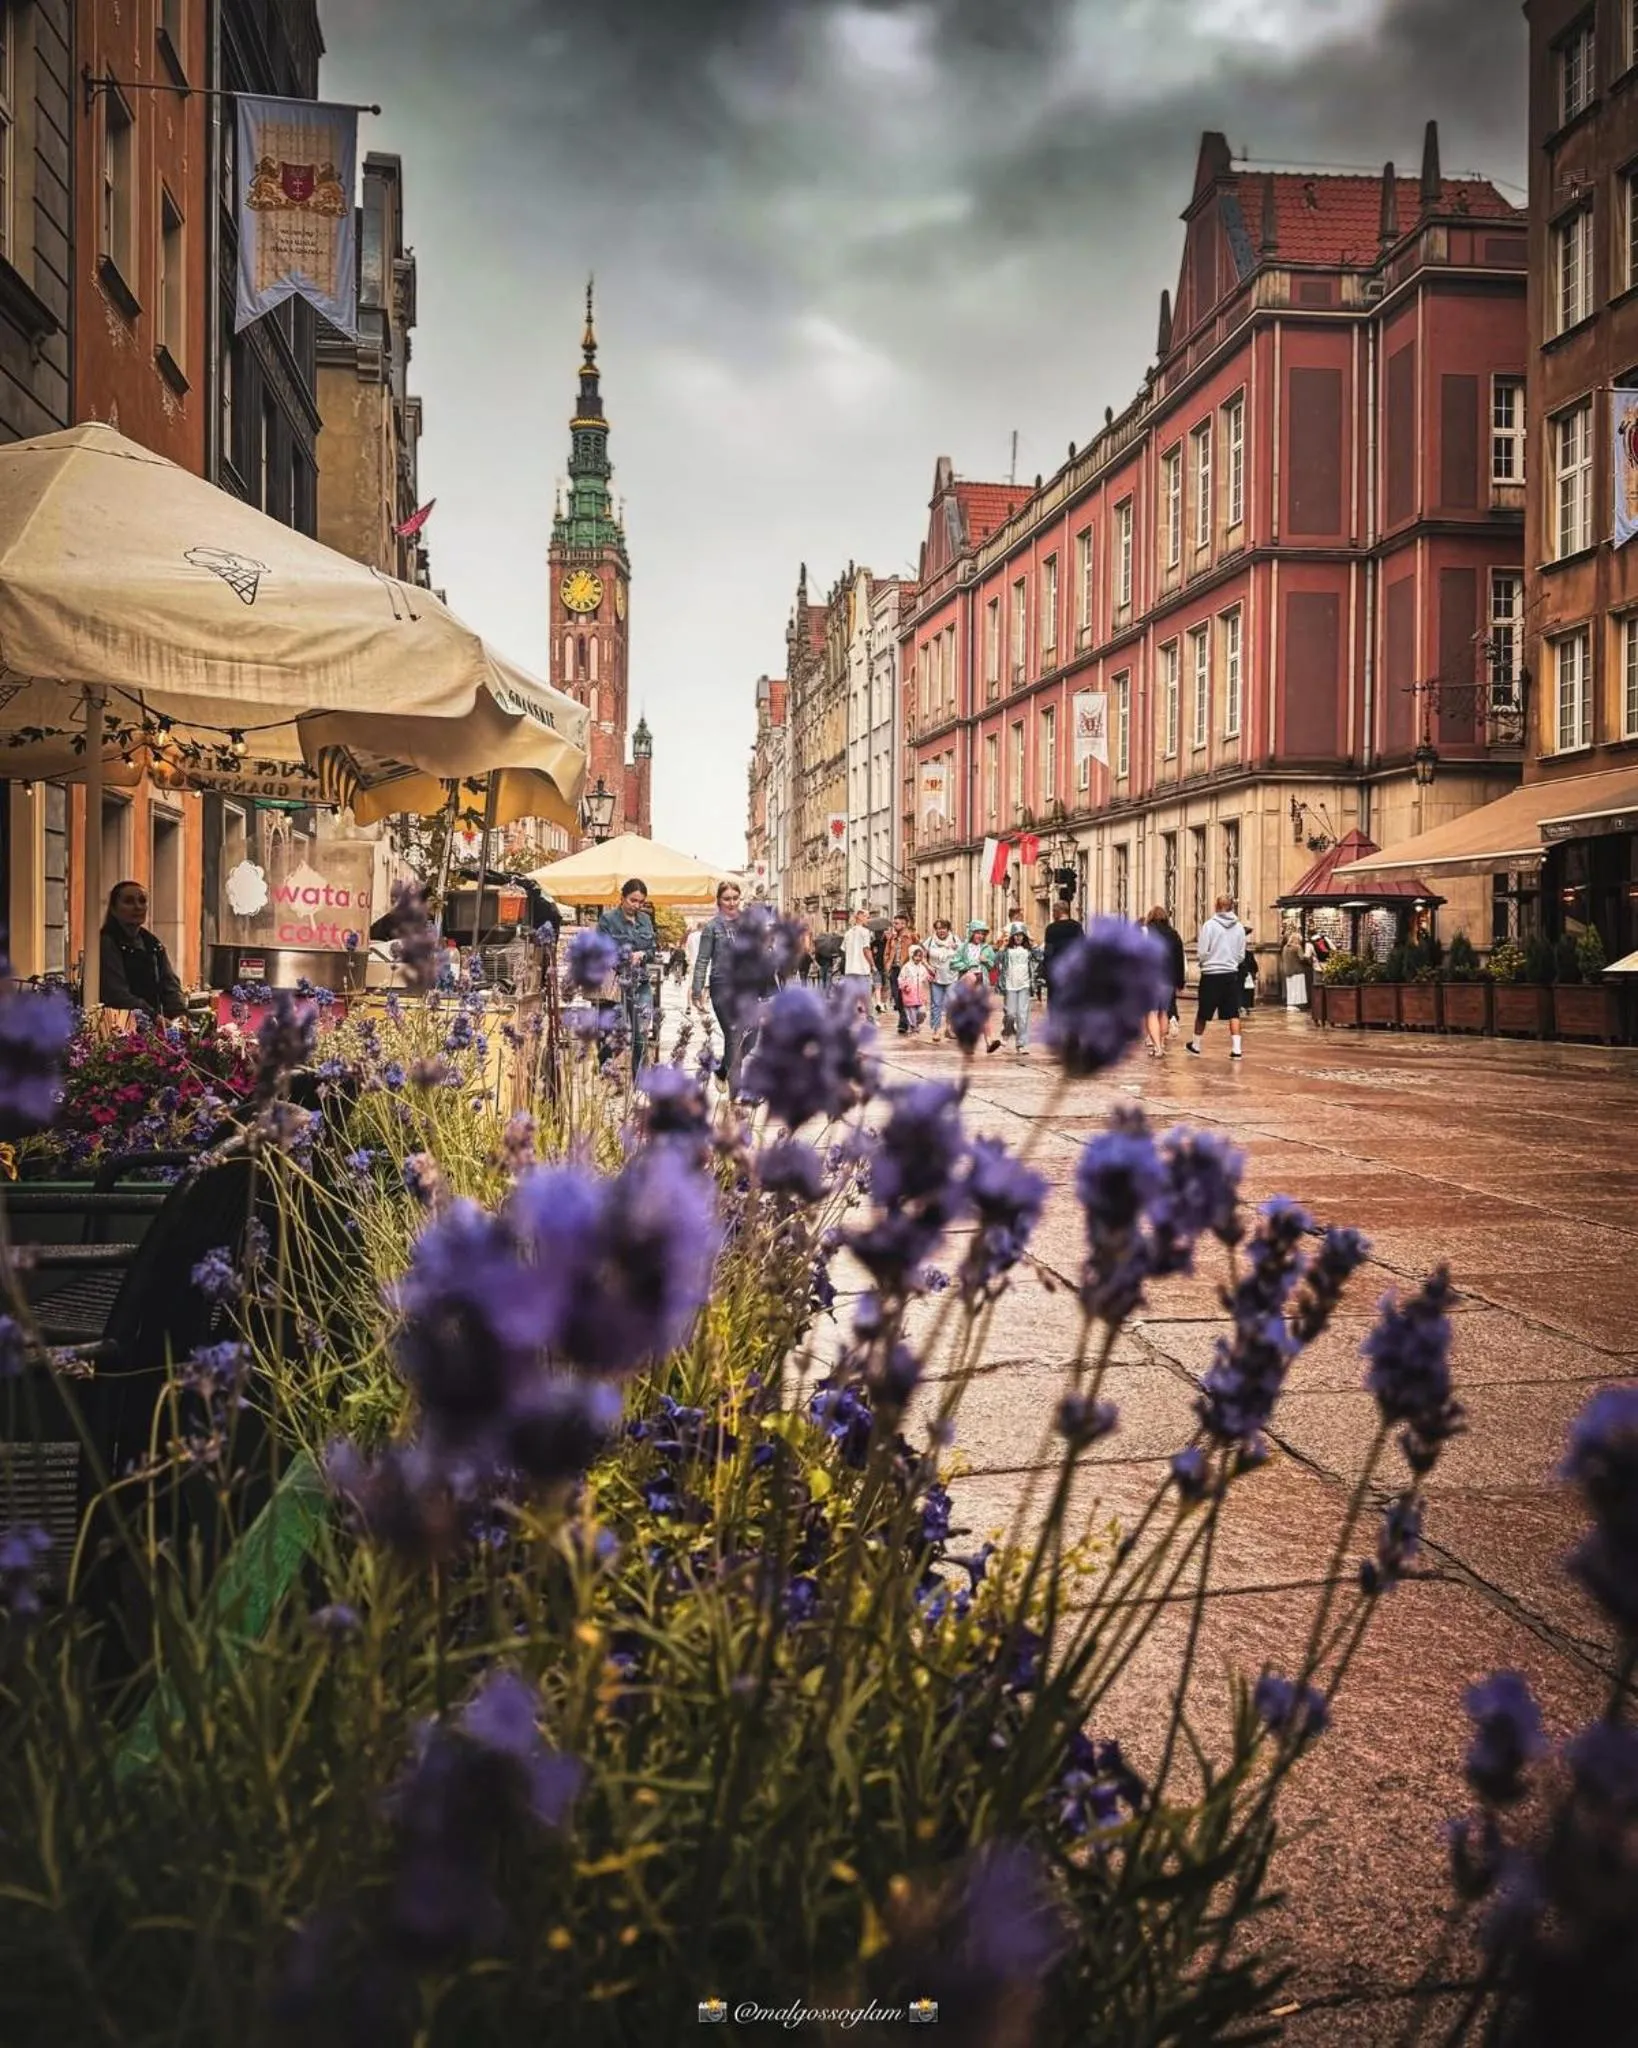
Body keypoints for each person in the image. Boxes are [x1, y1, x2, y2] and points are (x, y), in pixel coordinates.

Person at [691, 879, 750, 1094]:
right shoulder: (712, 927)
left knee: (751, 1035)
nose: (732, 903)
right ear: (719, 901)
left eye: (735, 898)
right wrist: (697, 989)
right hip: (722, 986)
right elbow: (702, 960)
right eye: (727, 899)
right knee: (734, 1035)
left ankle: (724, 1069)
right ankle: (737, 1094)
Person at [597, 877, 660, 1076]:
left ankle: (639, 1081)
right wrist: (624, 955)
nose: (637, 905)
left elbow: (652, 949)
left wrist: (643, 954)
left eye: (641, 902)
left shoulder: (645, 920)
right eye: (633, 900)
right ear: (622, 898)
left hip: (640, 983)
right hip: (615, 984)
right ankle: (605, 1069)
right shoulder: (608, 920)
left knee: (641, 1032)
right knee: (614, 1035)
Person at [100, 880, 185, 1018]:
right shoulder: (106, 943)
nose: (137, 907)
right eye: (129, 901)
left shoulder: (152, 943)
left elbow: (170, 985)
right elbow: (116, 994)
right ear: (114, 909)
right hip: (120, 1026)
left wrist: (179, 1014)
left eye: (142, 901)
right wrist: (153, 1016)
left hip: (153, 1025)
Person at [1186, 895, 1247, 1059]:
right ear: (1232, 907)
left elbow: (1203, 951)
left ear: (1216, 906)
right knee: (1233, 1012)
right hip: (1230, 974)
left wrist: (1206, 962)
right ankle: (1236, 1049)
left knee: (1203, 1011)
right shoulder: (1240, 927)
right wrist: (1231, 962)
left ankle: (1196, 1045)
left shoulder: (1209, 926)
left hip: (1211, 974)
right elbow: (1242, 955)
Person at [950, 919, 1002, 1055]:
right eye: (977, 933)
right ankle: (967, 1042)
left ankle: (989, 1042)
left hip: (981, 980)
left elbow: (993, 966)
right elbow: (953, 964)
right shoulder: (963, 948)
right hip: (967, 980)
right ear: (971, 933)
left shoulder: (987, 948)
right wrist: (968, 965)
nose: (980, 936)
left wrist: (987, 961)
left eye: (982, 933)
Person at [1141, 906, 1186, 1058]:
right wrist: (1180, 981)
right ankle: (1161, 1043)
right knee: (1164, 1012)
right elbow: (1180, 959)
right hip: (1168, 978)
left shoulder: (1146, 932)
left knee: (1151, 1012)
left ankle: (1157, 1047)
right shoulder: (1174, 935)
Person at [998, 921, 1037, 1057]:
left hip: (1024, 985)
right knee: (1010, 1014)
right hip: (1010, 985)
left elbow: (1040, 956)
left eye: (1021, 935)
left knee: (1022, 1015)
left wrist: (1034, 944)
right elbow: (997, 960)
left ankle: (1021, 1044)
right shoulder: (1007, 950)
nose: (1018, 938)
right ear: (1012, 936)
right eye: (1016, 935)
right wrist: (1002, 946)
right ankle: (1006, 1032)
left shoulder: (1029, 950)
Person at [881, 912, 918, 1036]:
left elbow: (919, 952)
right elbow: (887, 952)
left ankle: (904, 1022)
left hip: (907, 971)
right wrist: (887, 965)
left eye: (896, 923)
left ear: (904, 924)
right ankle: (905, 1019)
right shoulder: (892, 938)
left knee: (905, 996)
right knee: (897, 997)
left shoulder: (912, 936)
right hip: (895, 969)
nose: (894, 925)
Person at [838, 907, 877, 1022]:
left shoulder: (848, 933)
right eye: (866, 916)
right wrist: (873, 965)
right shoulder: (865, 932)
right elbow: (866, 950)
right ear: (859, 916)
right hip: (862, 969)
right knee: (867, 995)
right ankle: (870, 1019)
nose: (868, 919)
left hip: (850, 970)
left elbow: (843, 950)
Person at [924, 918, 959, 1040]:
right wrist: (928, 967)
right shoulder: (930, 941)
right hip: (936, 977)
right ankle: (936, 1030)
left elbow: (962, 956)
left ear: (948, 929)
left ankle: (949, 1028)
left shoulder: (955, 940)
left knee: (952, 1002)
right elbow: (922, 956)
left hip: (952, 976)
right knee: (936, 1004)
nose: (941, 931)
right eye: (938, 928)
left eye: (943, 928)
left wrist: (956, 950)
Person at [1041, 900, 1082, 996]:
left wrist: (1046, 972)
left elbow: (1048, 952)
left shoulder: (1051, 929)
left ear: (1057, 912)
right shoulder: (1076, 927)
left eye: (1053, 912)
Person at [898, 944, 931, 1035]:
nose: (918, 958)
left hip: (920, 994)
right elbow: (900, 978)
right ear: (911, 955)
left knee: (922, 1012)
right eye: (916, 956)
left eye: (920, 956)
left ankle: (916, 1023)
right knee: (911, 1013)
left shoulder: (922, 967)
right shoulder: (906, 967)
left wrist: (929, 977)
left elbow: (927, 976)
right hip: (909, 994)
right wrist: (905, 986)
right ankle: (913, 1026)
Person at [813, 917, 844, 991]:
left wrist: (820, 964)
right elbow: (834, 956)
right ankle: (827, 992)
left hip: (822, 965)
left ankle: (821, 992)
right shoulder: (831, 950)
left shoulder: (820, 949)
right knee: (828, 979)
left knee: (821, 979)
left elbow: (816, 958)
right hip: (829, 965)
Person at [1281, 928, 1308, 1010]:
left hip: (1287, 970)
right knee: (1298, 988)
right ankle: (1297, 1004)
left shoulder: (1285, 947)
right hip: (1297, 970)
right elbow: (1302, 958)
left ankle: (1290, 1004)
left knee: (1290, 988)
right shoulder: (1298, 947)